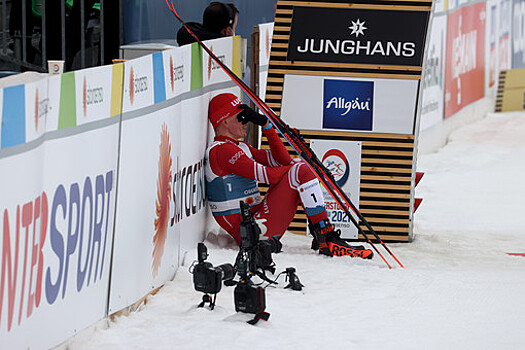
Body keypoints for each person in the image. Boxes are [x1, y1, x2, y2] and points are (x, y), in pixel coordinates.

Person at [204, 93, 373, 259]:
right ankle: (326, 238)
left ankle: (323, 235)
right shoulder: (222, 150)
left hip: (256, 221)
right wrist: (299, 169)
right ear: (224, 121)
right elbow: (269, 176)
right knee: (300, 169)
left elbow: (283, 161)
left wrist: (267, 127)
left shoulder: (241, 147)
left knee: (299, 168)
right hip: (251, 233)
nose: (246, 121)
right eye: (241, 116)